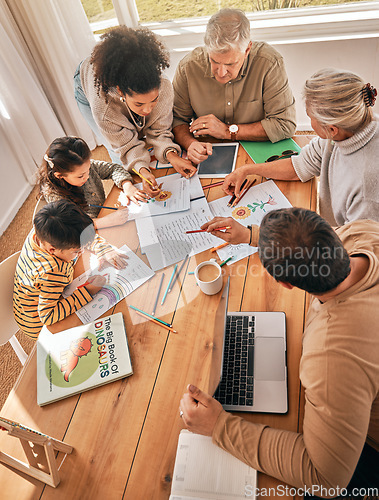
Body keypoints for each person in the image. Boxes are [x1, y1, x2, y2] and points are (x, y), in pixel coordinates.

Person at [181, 208, 379, 497]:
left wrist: (219, 426)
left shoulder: (331, 358)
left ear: (285, 284)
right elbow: (315, 243)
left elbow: (325, 478)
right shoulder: (364, 231)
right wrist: (253, 236)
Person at [223, 69, 379, 226]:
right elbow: (300, 165)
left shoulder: (366, 191)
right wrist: (248, 170)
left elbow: (354, 244)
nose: (310, 122)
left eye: (310, 117)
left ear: (332, 129)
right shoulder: (347, 128)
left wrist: (256, 236)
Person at [74, 26, 196, 197]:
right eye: (139, 104)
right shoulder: (104, 107)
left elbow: (160, 129)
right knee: (118, 156)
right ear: (121, 92)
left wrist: (172, 155)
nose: (147, 109)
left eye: (154, 101)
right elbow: (125, 146)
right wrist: (143, 171)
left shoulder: (165, 87)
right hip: (86, 87)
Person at [172, 8, 296, 165]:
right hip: (208, 154)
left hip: (259, 152)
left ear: (247, 49)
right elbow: (176, 119)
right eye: (214, 61)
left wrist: (227, 131)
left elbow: (285, 124)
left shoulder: (269, 63)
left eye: (231, 63)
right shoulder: (188, 67)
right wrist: (190, 143)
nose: (221, 73)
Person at [13, 200, 128, 339]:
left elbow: (80, 236)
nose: (81, 251)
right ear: (52, 249)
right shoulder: (51, 271)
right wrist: (89, 291)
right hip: (40, 325)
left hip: (45, 296)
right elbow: (47, 317)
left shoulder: (42, 232)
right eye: (77, 251)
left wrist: (104, 250)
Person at [37, 136, 148, 230]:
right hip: (90, 232)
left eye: (88, 169)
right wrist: (105, 221)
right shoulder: (55, 196)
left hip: (105, 213)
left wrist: (126, 185)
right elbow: (72, 226)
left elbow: (113, 169)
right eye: (80, 176)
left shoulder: (83, 168)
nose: (87, 176)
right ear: (60, 175)